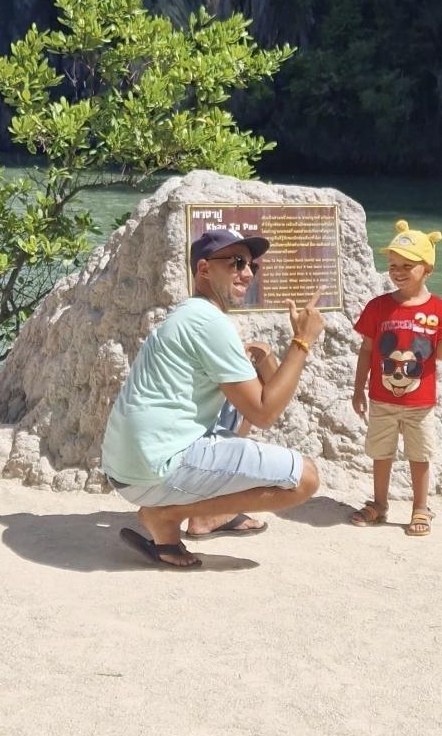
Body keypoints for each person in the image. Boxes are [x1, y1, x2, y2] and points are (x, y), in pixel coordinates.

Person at [102, 227, 323, 569]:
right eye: (236, 263)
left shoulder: (192, 315)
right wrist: (302, 341)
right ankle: (167, 515)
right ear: (204, 269)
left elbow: (263, 398)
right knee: (305, 478)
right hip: (155, 467)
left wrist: (267, 358)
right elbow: (265, 413)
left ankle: (204, 518)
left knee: (236, 407)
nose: (247, 273)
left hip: (130, 465)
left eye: (253, 266)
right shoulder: (209, 324)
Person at [349, 220, 442, 537]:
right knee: (381, 452)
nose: (398, 271)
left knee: (420, 454)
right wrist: (358, 389)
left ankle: (420, 507)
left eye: (407, 266)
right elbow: (366, 350)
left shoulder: (439, 309)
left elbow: (439, 354)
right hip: (381, 398)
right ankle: (379, 503)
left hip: (420, 401)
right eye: (393, 265)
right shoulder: (378, 307)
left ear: (427, 269)